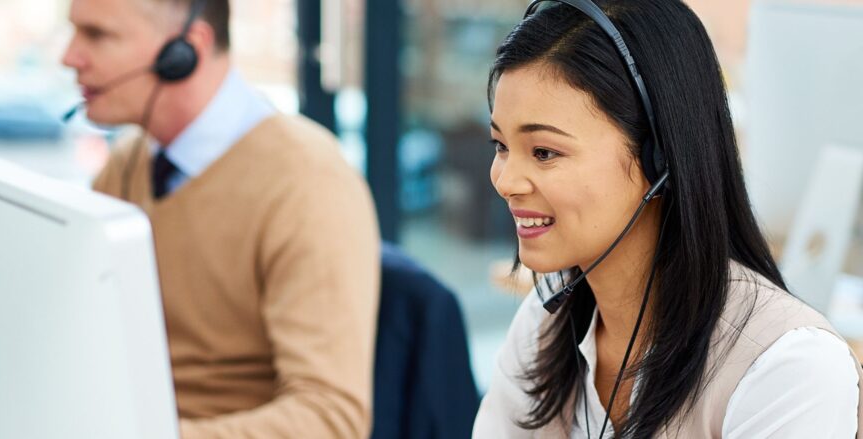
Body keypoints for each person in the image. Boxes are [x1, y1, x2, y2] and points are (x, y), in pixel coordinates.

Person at [473, 0, 863, 437]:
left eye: (544, 152)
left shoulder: (789, 368)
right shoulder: (546, 320)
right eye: (501, 145)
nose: (505, 181)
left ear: (658, 158)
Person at [61, 0, 381, 437]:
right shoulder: (127, 165)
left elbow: (331, 420)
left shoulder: (307, 182)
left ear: (186, 49)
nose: (69, 57)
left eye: (98, 35)